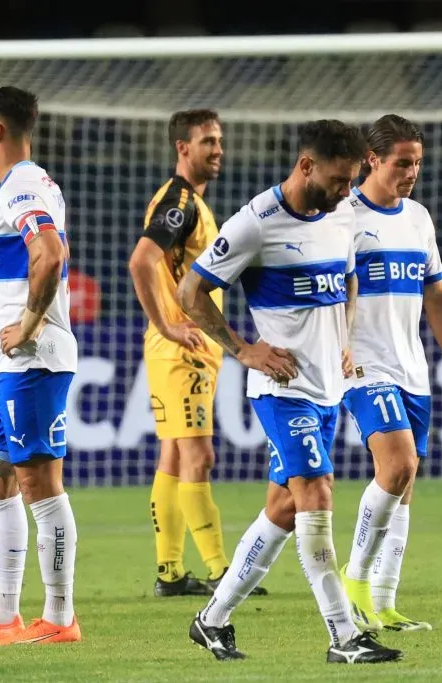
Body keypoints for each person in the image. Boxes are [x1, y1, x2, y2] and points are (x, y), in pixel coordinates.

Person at [180, 120, 401, 663]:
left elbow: (346, 276)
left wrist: (345, 336)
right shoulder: (256, 223)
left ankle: (211, 619)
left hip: (328, 389)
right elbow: (190, 290)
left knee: (281, 509)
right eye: (337, 179)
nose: (345, 191)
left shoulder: (341, 212)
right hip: (282, 391)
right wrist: (243, 349)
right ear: (306, 166)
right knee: (317, 494)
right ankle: (344, 636)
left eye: (352, 180)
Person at [0, 86, 80, 645]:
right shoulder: (22, 186)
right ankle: (4, 616)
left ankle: (60, 617)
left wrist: (27, 323)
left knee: (39, 486)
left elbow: (50, 254)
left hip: (32, 360)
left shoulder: (23, 185)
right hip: (10, 365)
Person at [340, 114, 442, 633]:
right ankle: (354, 581)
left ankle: (384, 603)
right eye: (402, 162)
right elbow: (330, 289)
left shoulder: (418, 218)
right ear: (372, 159)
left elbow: (436, 293)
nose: (412, 171)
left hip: (412, 366)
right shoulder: (344, 216)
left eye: (417, 161)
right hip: (364, 365)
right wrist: (339, 344)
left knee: (405, 483)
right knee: (394, 467)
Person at [129, 109, 264, 597]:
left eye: (220, 140)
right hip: (180, 347)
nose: (218, 149)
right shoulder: (179, 202)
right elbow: (141, 260)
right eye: (208, 141)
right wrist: (167, 324)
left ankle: (169, 572)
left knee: (173, 457)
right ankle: (220, 570)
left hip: (188, 347)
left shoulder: (192, 204)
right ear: (182, 148)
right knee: (199, 456)